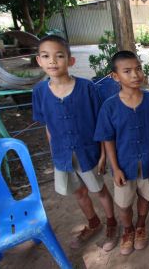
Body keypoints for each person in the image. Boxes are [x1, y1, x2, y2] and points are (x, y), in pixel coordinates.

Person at [32, 35, 118, 251]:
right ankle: (93, 223)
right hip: (62, 155)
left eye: (59, 56)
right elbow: (48, 127)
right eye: (46, 56)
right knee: (79, 192)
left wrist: (102, 154)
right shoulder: (39, 92)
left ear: (70, 61)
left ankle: (112, 224)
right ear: (39, 61)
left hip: (88, 152)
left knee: (99, 190)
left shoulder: (87, 88)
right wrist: (55, 157)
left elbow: (101, 123)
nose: (52, 61)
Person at [94, 50, 149, 255]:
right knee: (123, 203)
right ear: (115, 76)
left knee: (146, 196)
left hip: (148, 160)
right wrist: (114, 168)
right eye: (127, 71)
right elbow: (108, 139)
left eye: (138, 69)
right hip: (123, 164)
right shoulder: (110, 106)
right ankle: (128, 230)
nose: (135, 75)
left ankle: (141, 226)